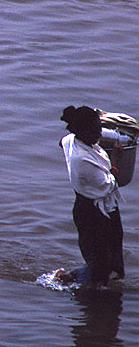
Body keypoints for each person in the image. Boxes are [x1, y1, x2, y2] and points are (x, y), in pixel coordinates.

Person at [56, 105, 124, 288]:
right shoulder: (81, 160)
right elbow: (109, 184)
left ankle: (102, 288)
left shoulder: (71, 140)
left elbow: (62, 142)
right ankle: (66, 277)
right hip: (91, 211)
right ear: (82, 132)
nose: (99, 134)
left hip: (105, 206)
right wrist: (115, 160)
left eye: (99, 128)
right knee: (99, 266)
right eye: (94, 131)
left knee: (115, 259)